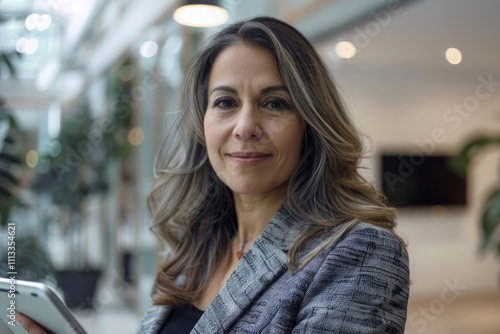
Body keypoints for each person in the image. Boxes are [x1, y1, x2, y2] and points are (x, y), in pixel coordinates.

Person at [16, 16, 409, 334]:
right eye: (225, 102)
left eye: (274, 103)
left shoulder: (360, 254)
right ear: (202, 125)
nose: (245, 126)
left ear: (311, 124)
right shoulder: (194, 247)